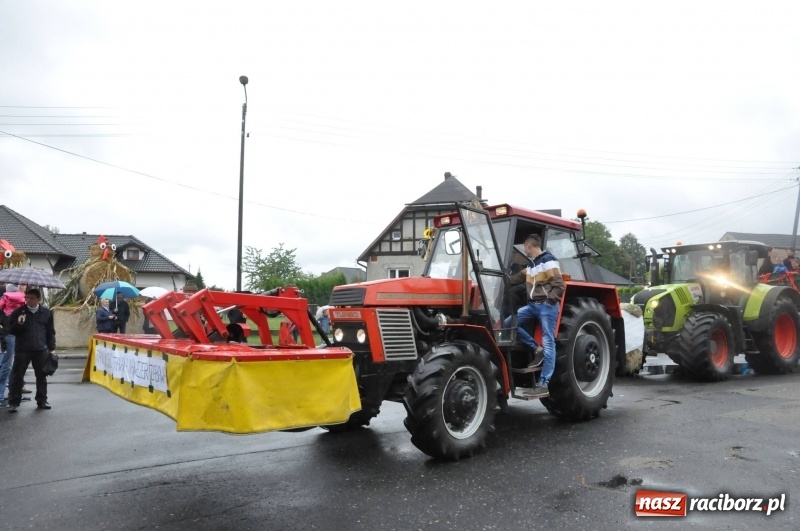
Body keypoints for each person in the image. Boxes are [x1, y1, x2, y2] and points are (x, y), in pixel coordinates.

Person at [502, 234, 565, 390]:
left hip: (546, 305)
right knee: (509, 323)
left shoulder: (547, 260)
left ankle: (544, 381)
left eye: (525, 248)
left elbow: (559, 285)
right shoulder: (531, 265)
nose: (525, 250)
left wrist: (550, 302)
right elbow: (515, 279)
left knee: (549, 341)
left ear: (530, 246)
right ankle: (536, 348)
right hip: (532, 306)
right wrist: (499, 279)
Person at [6, 288, 56, 412]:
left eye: (32, 297)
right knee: (17, 376)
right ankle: (14, 401)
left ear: (38, 299)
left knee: (41, 376)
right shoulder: (19, 312)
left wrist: (52, 348)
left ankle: (42, 400)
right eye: (27, 297)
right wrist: (18, 324)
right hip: (23, 349)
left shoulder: (45, 312)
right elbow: (10, 330)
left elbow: (50, 331)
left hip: (40, 348)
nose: (28, 300)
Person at [0, 284, 26, 407]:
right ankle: (12, 393)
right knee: (13, 364)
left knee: (7, 363)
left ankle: (8, 394)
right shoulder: (22, 299)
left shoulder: (4, 298)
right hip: (18, 332)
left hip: (8, 332)